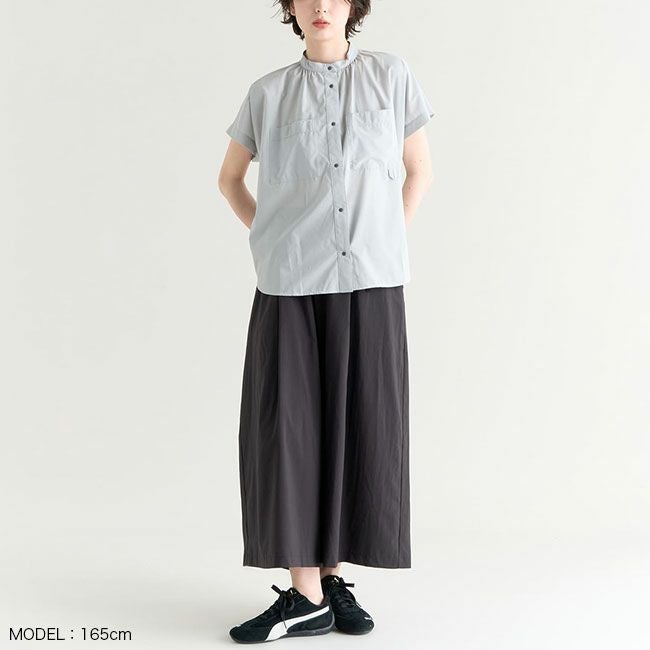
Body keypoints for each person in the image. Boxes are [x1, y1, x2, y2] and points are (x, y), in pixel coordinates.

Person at [218, 0, 434, 643]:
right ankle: (305, 592)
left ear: (353, 6)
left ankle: (329, 581)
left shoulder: (390, 76)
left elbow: (419, 170)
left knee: (358, 429)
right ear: (289, 7)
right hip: (291, 286)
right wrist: (272, 240)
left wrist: (384, 238)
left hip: (371, 281)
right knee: (290, 434)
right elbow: (230, 179)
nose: (320, 6)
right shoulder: (268, 94)